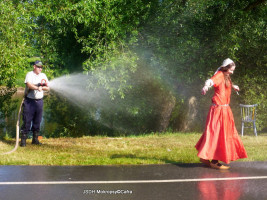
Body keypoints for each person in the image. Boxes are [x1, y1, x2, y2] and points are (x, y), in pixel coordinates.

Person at [195, 58, 247, 169]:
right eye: (231, 70)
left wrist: (234, 87)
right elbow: (211, 81)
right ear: (225, 68)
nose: (232, 72)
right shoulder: (219, 74)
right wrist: (205, 86)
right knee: (218, 135)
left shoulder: (226, 76)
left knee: (219, 134)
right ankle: (214, 161)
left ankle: (206, 157)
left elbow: (224, 86)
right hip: (218, 110)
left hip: (224, 110)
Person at [20, 61, 50, 147]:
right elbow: (29, 85)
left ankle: (35, 139)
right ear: (34, 66)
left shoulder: (43, 75)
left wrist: (42, 87)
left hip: (39, 101)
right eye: (38, 67)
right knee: (27, 121)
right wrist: (37, 87)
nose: (40, 68)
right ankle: (23, 141)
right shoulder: (29, 74)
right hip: (29, 101)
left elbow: (48, 88)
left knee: (37, 121)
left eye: (41, 67)